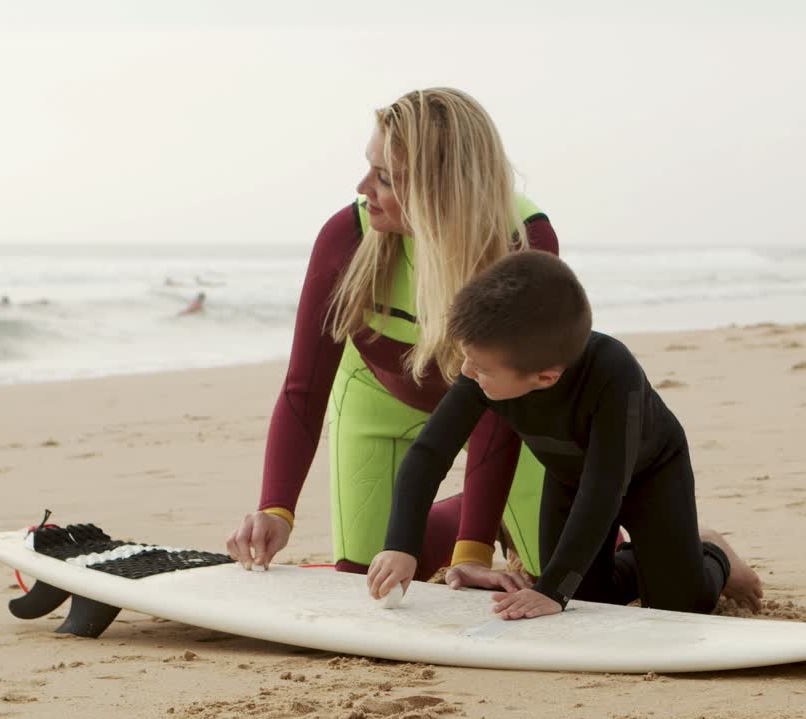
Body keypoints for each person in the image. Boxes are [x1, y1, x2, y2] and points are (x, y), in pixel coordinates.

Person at [225, 88, 560, 588]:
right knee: (368, 579)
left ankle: (703, 549)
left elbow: (501, 409)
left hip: (509, 413)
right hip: (376, 400)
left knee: (580, 584)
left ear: (439, 187)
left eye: (385, 177)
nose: (363, 187)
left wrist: (472, 550)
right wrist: (277, 508)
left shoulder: (522, 243)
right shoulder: (347, 238)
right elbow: (304, 386)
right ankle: (482, 512)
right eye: (369, 167)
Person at [367, 251, 763, 618]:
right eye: (466, 357)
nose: (467, 372)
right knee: (590, 599)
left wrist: (552, 591)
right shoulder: (487, 367)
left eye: (480, 367)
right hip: (570, 476)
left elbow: (605, 488)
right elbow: (428, 454)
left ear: (545, 378)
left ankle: (710, 551)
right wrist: (402, 544)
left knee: (680, 607)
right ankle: (645, 557)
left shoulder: (612, 372)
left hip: (650, 475)